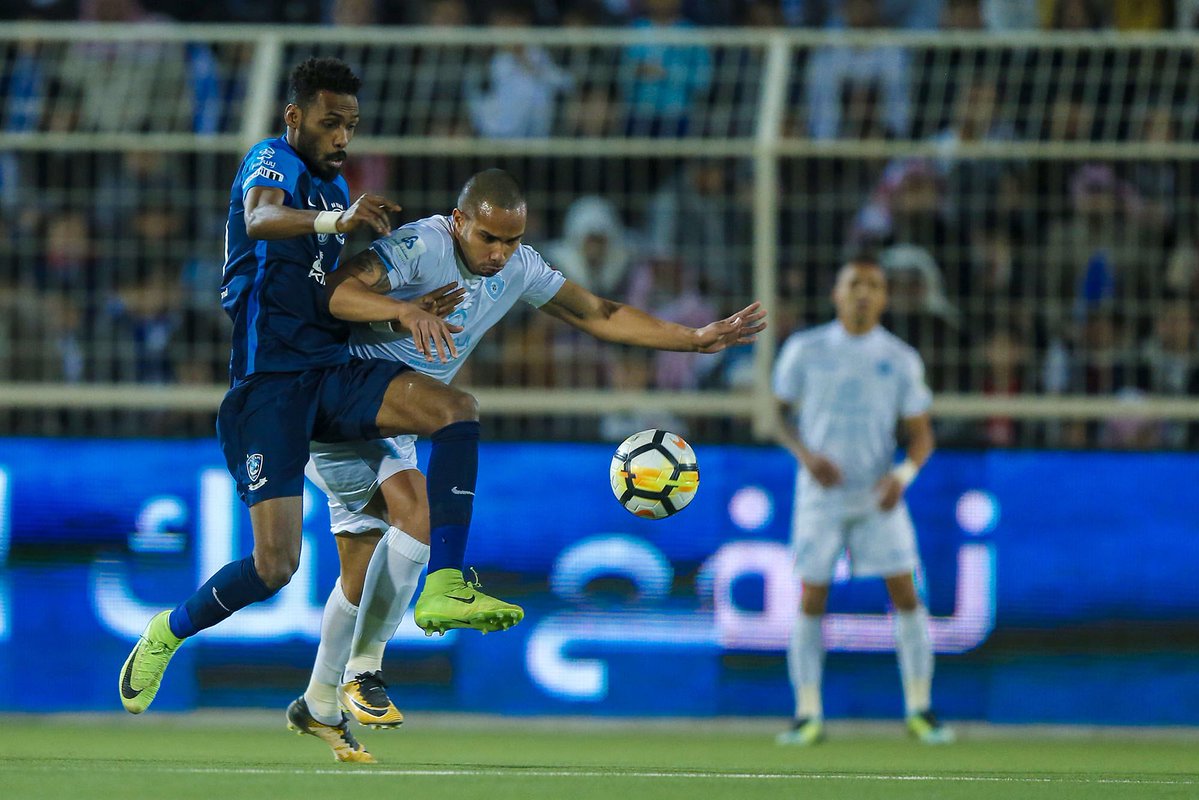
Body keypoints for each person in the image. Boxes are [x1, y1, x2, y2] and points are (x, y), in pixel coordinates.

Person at [116, 59, 519, 764]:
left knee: (452, 414)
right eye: (332, 122)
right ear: (296, 116)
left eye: (352, 126)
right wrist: (340, 218)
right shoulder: (271, 162)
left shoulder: (334, 186)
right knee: (275, 567)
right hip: (268, 386)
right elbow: (260, 219)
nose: (343, 137)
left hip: (332, 373)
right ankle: (168, 632)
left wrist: (403, 314)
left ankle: (402, 628)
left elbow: (327, 295)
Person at [297, 167, 767, 760]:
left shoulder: (520, 268)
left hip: (401, 417)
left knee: (365, 570)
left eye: (512, 239)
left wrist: (692, 338)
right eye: (489, 238)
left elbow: (598, 312)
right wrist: (406, 311)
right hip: (346, 400)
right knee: (420, 505)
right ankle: (367, 666)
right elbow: (335, 292)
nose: (500, 253)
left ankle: (316, 702)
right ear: (460, 220)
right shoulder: (420, 246)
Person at [772, 255, 954, 746]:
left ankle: (920, 709)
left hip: (878, 495)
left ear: (885, 297)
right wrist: (805, 456)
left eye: (873, 285)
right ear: (836, 292)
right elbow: (776, 414)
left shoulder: (899, 358)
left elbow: (922, 435)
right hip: (821, 496)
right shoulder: (806, 349)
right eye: (854, 283)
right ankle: (807, 714)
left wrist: (903, 474)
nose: (862, 293)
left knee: (906, 594)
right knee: (812, 596)